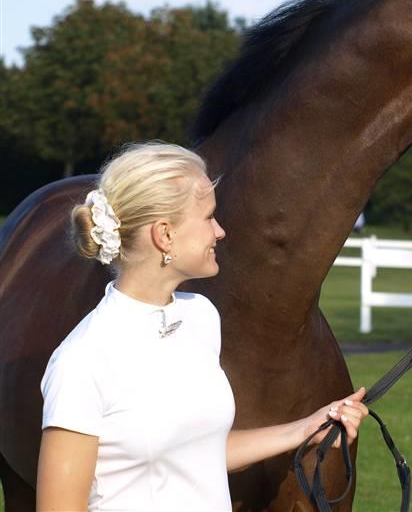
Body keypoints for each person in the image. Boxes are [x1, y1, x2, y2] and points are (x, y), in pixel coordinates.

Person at [36, 141, 368, 511]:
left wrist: (306, 428)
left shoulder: (201, 316)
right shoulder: (82, 361)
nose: (220, 231)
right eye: (209, 216)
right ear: (165, 235)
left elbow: (199, 451)